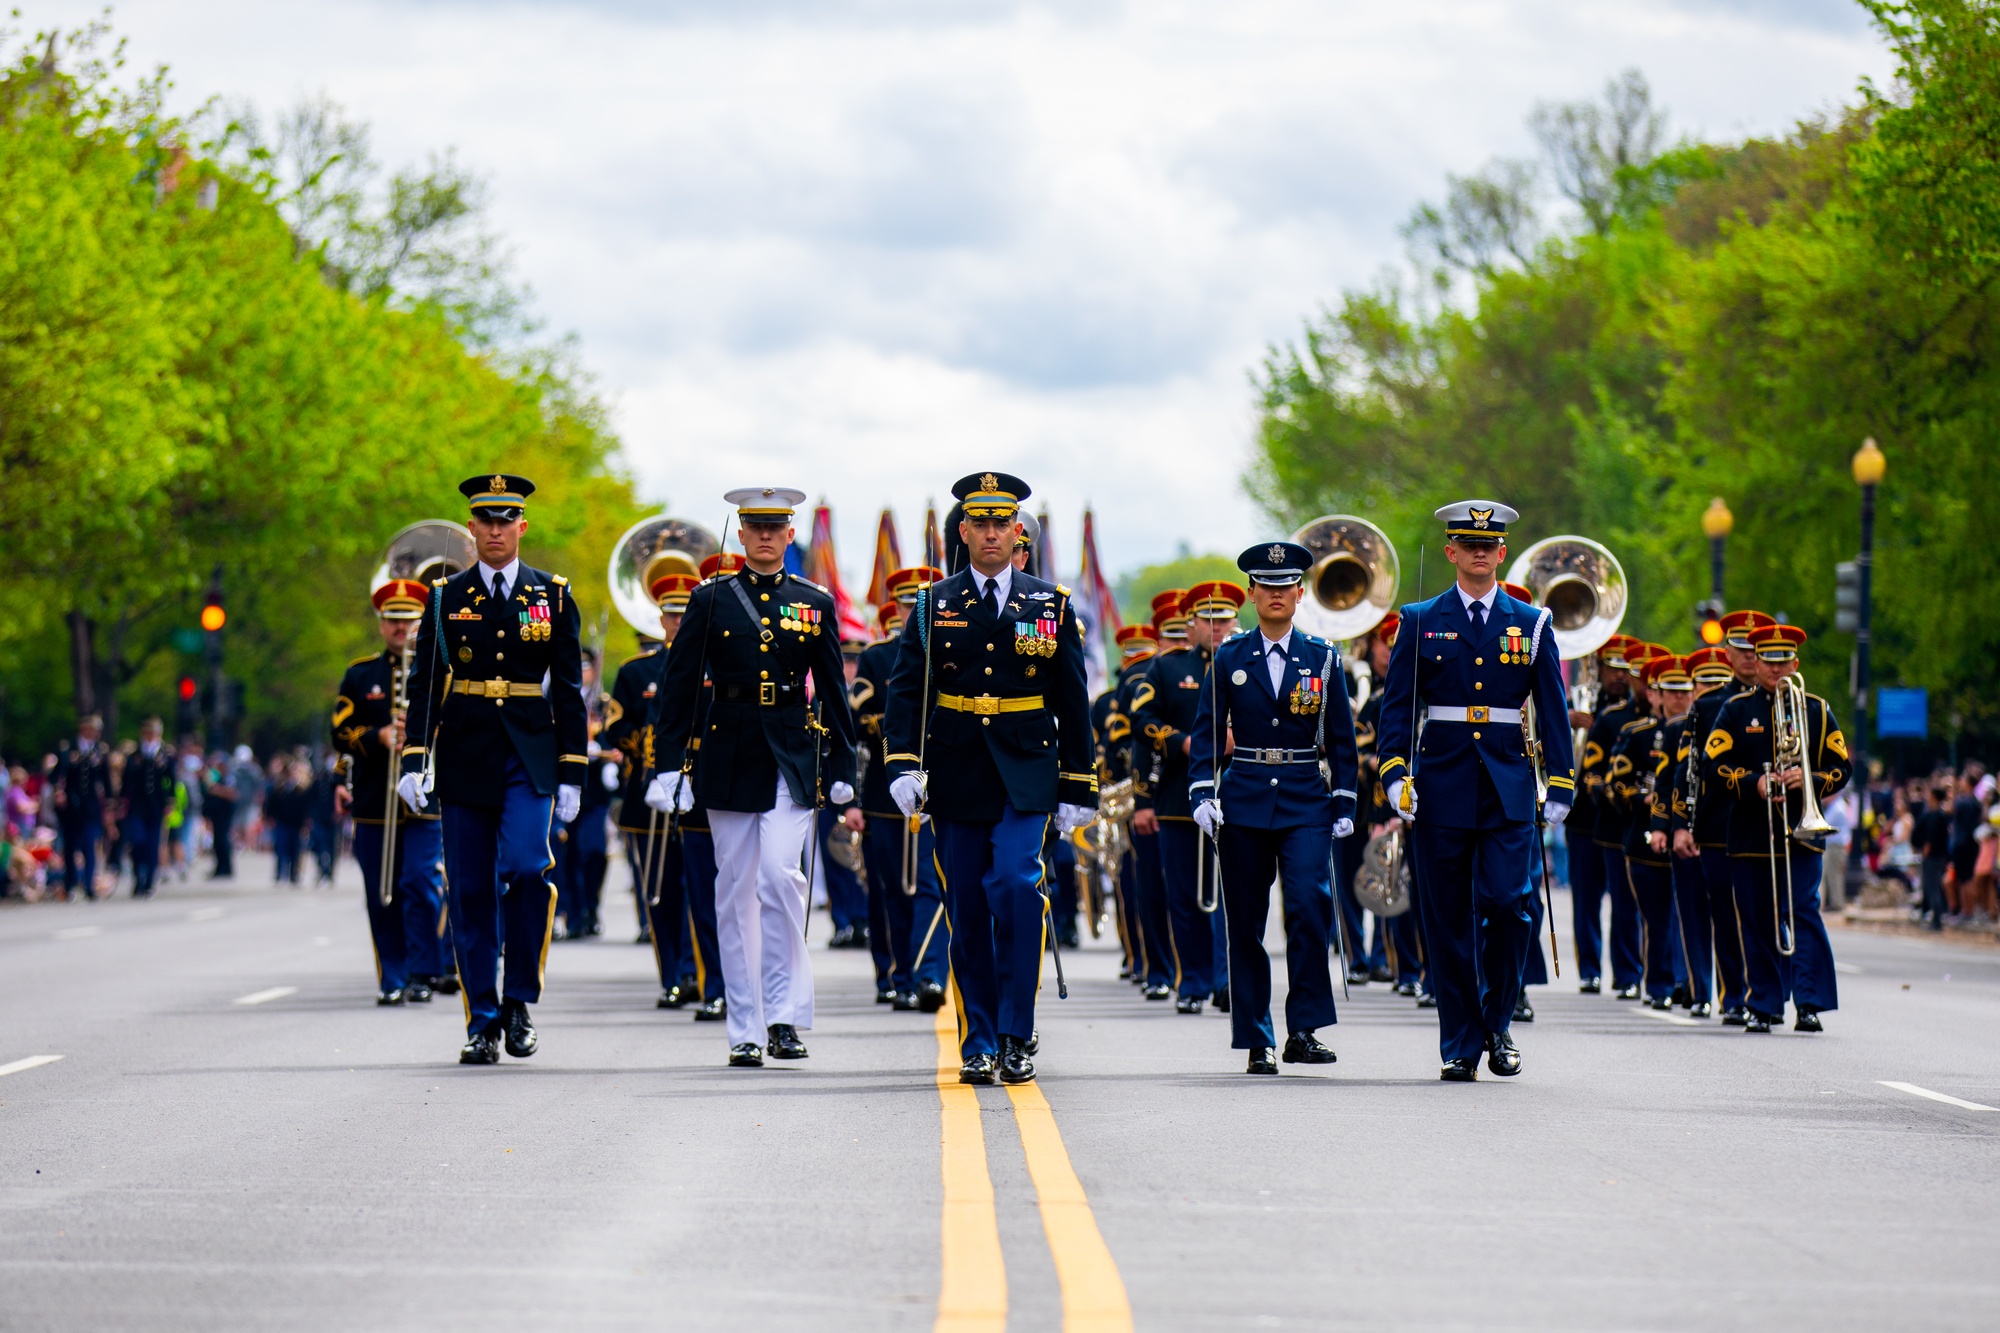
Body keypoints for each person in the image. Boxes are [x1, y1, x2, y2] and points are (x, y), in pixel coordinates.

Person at [883, 472, 1095, 1085]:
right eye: (981, 523)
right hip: (955, 769)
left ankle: (1015, 1030)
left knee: (1014, 886)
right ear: (965, 532)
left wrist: (1079, 785)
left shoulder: (1051, 603)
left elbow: (1073, 699)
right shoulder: (933, 603)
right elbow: (905, 692)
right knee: (967, 906)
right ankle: (976, 1038)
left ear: (1017, 532)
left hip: (1028, 771)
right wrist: (902, 764)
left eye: (1003, 523)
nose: (993, 533)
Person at [646, 488, 859, 1068]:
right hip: (729, 750)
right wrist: (669, 766)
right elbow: (681, 685)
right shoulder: (710, 599)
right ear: (740, 535)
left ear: (790, 536)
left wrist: (843, 765)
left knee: (780, 878)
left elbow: (834, 691)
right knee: (734, 890)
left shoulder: (813, 601)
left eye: (776, 527)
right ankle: (743, 1026)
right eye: (755, 526)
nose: (765, 536)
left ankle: (784, 1016)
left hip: (791, 750)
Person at [1376, 500, 1575, 1081]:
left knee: (1509, 905)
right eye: (1469, 543)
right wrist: (1393, 774)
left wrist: (1559, 780)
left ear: (1502, 552)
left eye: (1490, 544)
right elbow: (1397, 709)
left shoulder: (1531, 623)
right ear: (1452, 552)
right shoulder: (1418, 620)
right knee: (1447, 921)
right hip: (1441, 783)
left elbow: (1553, 711)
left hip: (1509, 785)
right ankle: (1460, 1043)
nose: (1480, 551)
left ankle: (1499, 1022)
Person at [398, 475, 587, 1062]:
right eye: (487, 521)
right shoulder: (444, 597)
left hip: (529, 753)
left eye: (508, 520)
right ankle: (481, 1020)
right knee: (472, 888)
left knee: (530, 870)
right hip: (466, 749)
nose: (497, 530)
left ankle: (519, 1001)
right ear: (472, 529)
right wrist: (414, 758)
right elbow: (425, 683)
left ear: (522, 527)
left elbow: (571, 690)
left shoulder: (551, 596)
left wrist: (574, 770)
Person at [1188, 540, 1359, 1075]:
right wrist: (1202, 791)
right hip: (1244, 798)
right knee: (1245, 922)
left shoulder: (1323, 657)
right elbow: (1206, 734)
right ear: (1251, 593)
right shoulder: (1231, 657)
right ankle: (1257, 1035)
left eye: (1287, 586)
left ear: (1300, 592)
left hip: (1307, 794)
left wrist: (1345, 797)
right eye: (1268, 586)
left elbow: (1342, 738)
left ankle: (1304, 1029)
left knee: (1310, 906)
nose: (1278, 594)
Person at [1703, 623, 1848, 1033]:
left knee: (1803, 911)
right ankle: (1765, 1003)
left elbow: (1842, 768)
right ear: (1758, 662)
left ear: (1795, 663)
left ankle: (1810, 1002)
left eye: (1784, 661)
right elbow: (1712, 767)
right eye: (1768, 660)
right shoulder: (1734, 710)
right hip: (1751, 832)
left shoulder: (1816, 710)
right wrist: (1756, 783)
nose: (1776, 668)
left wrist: (1812, 781)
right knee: (1756, 917)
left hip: (1802, 831)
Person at [605, 569, 724, 1017]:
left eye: (685, 614)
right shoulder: (637, 671)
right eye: (672, 615)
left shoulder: (715, 662)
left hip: (701, 788)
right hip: (649, 793)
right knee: (660, 891)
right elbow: (617, 725)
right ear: (661, 619)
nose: (678, 622)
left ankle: (704, 975)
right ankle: (673, 976)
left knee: (704, 889)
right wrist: (649, 747)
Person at [335, 578, 447, 1003]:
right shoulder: (362, 674)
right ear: (382, 625)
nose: (402, 629)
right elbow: (339, 731)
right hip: (375, 803)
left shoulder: (441, 670)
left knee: (419, 881)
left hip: (425, 800)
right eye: (394, 620)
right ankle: (393, 978)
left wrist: (427, 732)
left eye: (410, 620)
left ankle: (423, 971)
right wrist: (377, 736)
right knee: (381, 891)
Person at [1133, 580, 1243, 1014]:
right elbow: (1142, 717)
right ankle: (1193, 981)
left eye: (1224, 621)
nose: (1217, 629)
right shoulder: (1168, 667)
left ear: (1237, 622)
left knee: (1231, 894)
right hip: (1180, 797)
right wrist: (1181, 741)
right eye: (1208, 621)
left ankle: (1225, 979)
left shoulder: (1249, 660)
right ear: (1192, 624)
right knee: (1184, 895)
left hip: (1239, 792)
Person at [851, 567, 951, 1011]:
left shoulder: (950, 646)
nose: (914, 613)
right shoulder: (876, 657)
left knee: (933, 883)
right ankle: (895, 972)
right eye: (908, 606)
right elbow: (859, 717)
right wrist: (900, 724)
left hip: (941, 785)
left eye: (920, 606)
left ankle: (929, 974)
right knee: (892, 886)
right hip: (887, 790)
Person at [1622, 654, 1693, 1009]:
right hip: (1645, 842)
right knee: (1658, 918)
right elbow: (1613, 784)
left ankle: (1690, 984)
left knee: (1691, 916)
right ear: (1657, 695)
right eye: (1672, 691)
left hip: (1689, 837)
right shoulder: (1638, 735)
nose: (1680, 697)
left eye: (1686, 691)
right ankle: (1660, 985)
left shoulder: (1701, 733)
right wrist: (1642, 798)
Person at [1568, 636, 1635, 994]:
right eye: (1613, 669)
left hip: (1618, 817)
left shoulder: (1638, 712)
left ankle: (1628, 973)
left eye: (1626, 670)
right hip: (1581, 815)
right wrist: (1569, 720)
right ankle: (1590, 970)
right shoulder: (1580, 701)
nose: (1620, 677)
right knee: (1586, 897)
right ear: (1600, 669)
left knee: (1627, 900)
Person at [51, 714, 111, 900]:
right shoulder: (69, 750)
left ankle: (88, 885)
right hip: (71, 807)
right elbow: (55, 776)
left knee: (89, 845)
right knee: (70, 848)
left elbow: (106, 781)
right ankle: (69, 884)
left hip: (90, 807)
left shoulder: (99, 752)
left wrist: (110, 803)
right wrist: (58, 791)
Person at [119, 717, 176, 898]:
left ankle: (149, 881)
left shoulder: (165, 755)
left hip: (156, 805)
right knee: (138, 841)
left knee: (153, 845)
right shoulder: (135, 754)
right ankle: (138, 876)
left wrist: (170, 802)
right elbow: (127, 780)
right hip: (137, 805)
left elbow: (171, 781)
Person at [1916, 785, 1952, 929]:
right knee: (1931, 886)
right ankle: (1934, 918)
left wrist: (1926, 849)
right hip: (1937, 855)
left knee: (1932, 887)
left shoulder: (1937, 815)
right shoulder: (1936, 813)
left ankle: (1936, 920)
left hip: (1933, 856)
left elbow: (1932, 836)